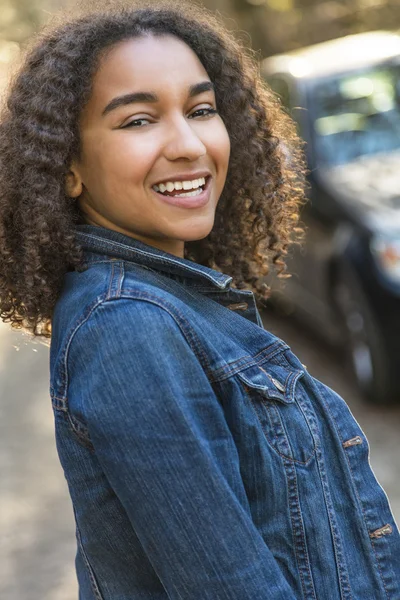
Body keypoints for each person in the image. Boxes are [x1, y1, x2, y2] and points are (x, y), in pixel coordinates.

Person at [0, 1, 398, 598]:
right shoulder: (128, 327)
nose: (188, 144)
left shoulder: (179, 303)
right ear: (69, 167)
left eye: (202, 109)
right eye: (138, 120)